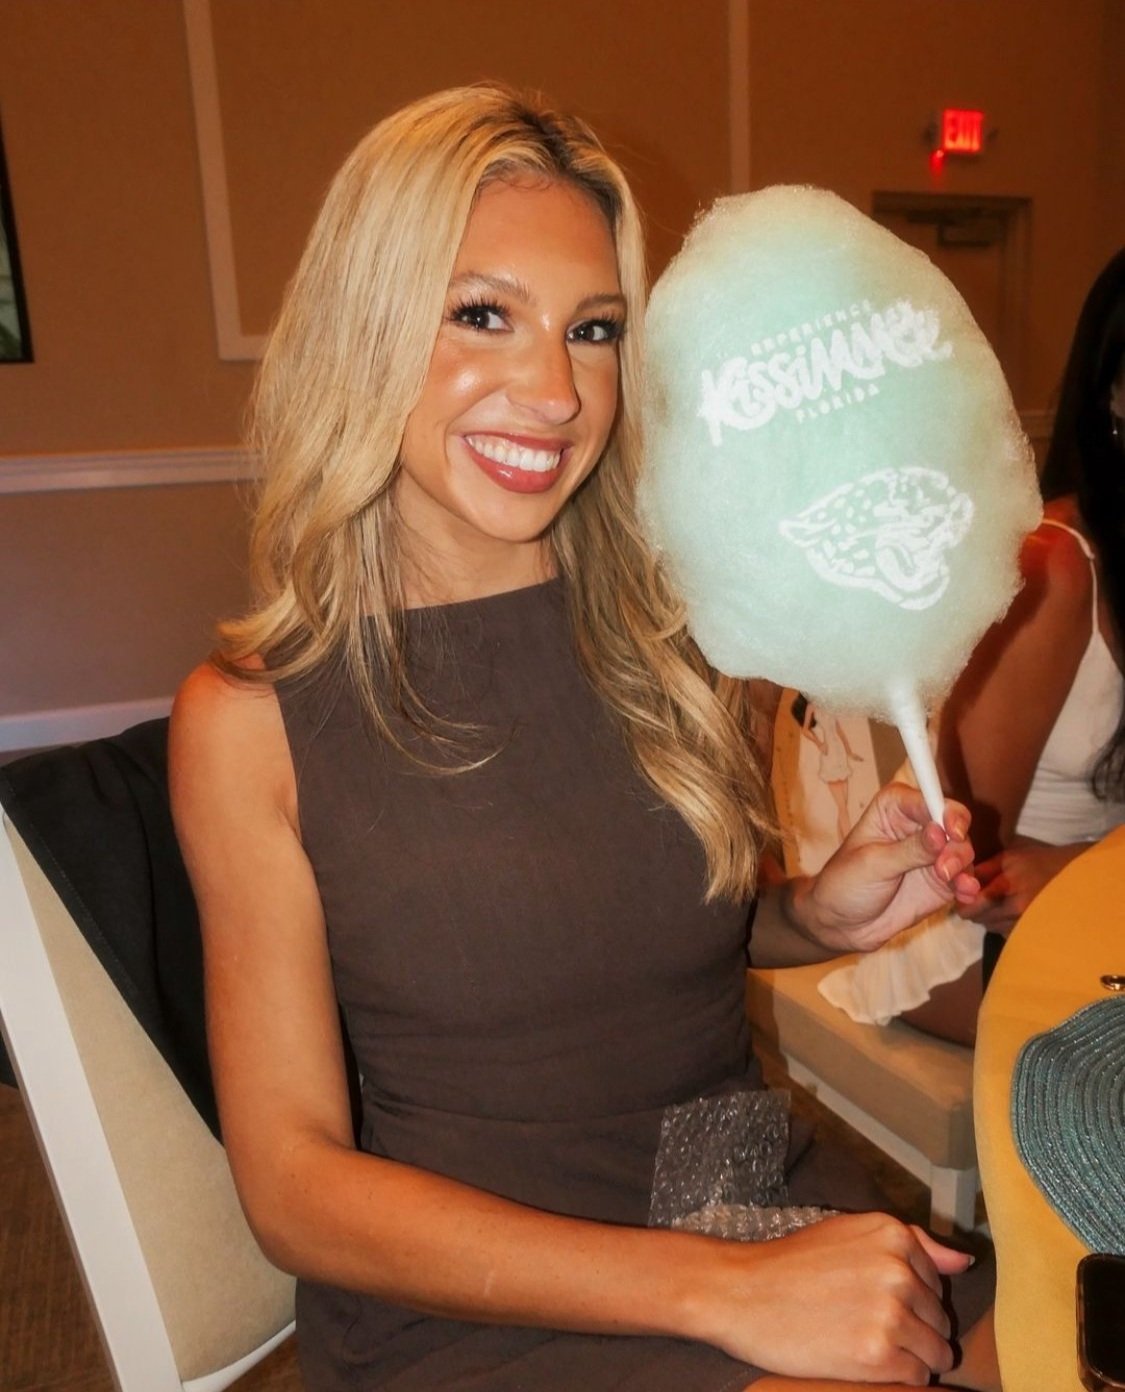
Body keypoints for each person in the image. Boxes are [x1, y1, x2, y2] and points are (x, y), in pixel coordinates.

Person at [169, 84, 997, 1390]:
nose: (554, 392)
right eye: (482, 314)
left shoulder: (671, 634)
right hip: (485, 1290)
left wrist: (811, 914)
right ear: (364, 325)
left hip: (732, 1186)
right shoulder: (254, 723)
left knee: (1054, 1330)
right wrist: (722, 1292)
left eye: (593, 330)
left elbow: (614, 942)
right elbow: (293, 1189)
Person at [897, 247, 1125, 1046]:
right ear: (1111, 393)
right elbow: (963, 853)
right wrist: (1084, 871)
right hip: (973, 931)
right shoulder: (1055, 568)